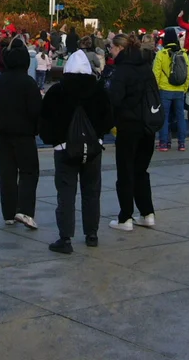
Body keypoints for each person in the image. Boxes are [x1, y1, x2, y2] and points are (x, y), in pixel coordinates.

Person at [40, 51, 113, 253]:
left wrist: (55, 140)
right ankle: (92, 234)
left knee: (66, 193)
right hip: (92, 149)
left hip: (64, 149)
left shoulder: (57, 91)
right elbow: (108, 120)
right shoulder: (99, 91)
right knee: (91, 191)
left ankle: (65, 238)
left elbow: (45, 121)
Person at [0, 38, 42, 229]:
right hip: (24, 134)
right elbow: (36, 110)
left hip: (2, 134)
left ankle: (9, 213)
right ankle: (25, 210)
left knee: (7, 173)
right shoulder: (28, 83)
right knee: (28, 172)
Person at [106, 33, 158, 231]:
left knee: (125, 171)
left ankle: (125, 217)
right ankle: (147, 213)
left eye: (112, 47)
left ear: (120, 48)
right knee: (141, 171)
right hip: (148, 125)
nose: (110, 51)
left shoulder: (122, 71)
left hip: (129, 126)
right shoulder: (146, 67)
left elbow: (114, 99)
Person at [153, 28, 189, 152]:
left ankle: (164, 143)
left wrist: (156, 88)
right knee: (180, 116)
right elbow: (188, 74)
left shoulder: (161, 54)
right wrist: (184, 88)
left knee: (164, 117)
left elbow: (156, 73)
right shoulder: (183, 54)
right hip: (179, 90)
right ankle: (182, 143)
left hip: (164, 90)